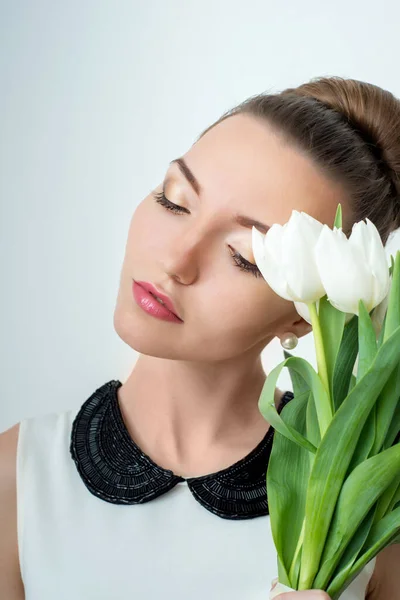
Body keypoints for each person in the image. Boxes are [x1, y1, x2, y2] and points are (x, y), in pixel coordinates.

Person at [1, 75, 400, 600]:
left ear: (304, 318)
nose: (176, 259)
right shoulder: (20, 476)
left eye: (243, 257)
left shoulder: (371, 515)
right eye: (174, 200)